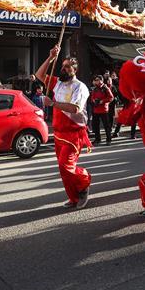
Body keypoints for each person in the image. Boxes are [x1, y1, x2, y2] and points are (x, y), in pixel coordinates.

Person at [35, 46, 92, 208]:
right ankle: (74, 197)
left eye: (67, 66)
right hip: (59, 133)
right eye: (63, 65)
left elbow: (75, 108)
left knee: (66, 166)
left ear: (74, 70)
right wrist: (51, 57)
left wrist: (52, 103)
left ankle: (84, 182)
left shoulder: (80, 87)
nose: (64, 68)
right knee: (63, 169)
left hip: (74, 134)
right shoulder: (58, 83)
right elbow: (39, 75)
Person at [89, 75, 114, 145]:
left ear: (101, 80)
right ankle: (97, 139)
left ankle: (109, 139)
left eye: (97, 80)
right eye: (95, 80)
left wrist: (102, 101)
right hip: (96, 110)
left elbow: (111, 97)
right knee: (96, 126)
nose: (96, 81)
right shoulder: (95, 89)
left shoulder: (105, 88)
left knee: (106, 126)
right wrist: (94, 101)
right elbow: (92, 97)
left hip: (104, 110)